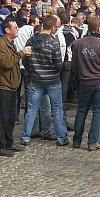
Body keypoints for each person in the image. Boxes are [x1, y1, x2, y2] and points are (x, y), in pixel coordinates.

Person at [20, 15, 68, 146]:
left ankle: (25, 136)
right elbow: (59, 64)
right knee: (57, 108)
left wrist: (32, 70)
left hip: (36, 78)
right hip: (52, 79)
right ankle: (61, 137)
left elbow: (25, 59)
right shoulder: (53, 43)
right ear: (53, 27)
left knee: (32, 108)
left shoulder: (30, 41)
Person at [71, 15, 100, 150]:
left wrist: (80, 75)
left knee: (81, 111)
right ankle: (92, 141)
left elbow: (74, 64)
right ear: (99, 28)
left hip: (84, 81)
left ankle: (77, 140)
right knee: (98, 112)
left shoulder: (78, 43)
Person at [0, 18, 32, 156]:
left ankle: (9, 142)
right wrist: (21, 53)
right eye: (15, 27)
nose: (18, 29)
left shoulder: (10, 43)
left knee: (11, 116)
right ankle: (0, 145)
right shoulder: (0, 45)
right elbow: (7, 63)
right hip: (3, 86)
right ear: (7, 30)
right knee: (4, 116)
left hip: (11, 85)